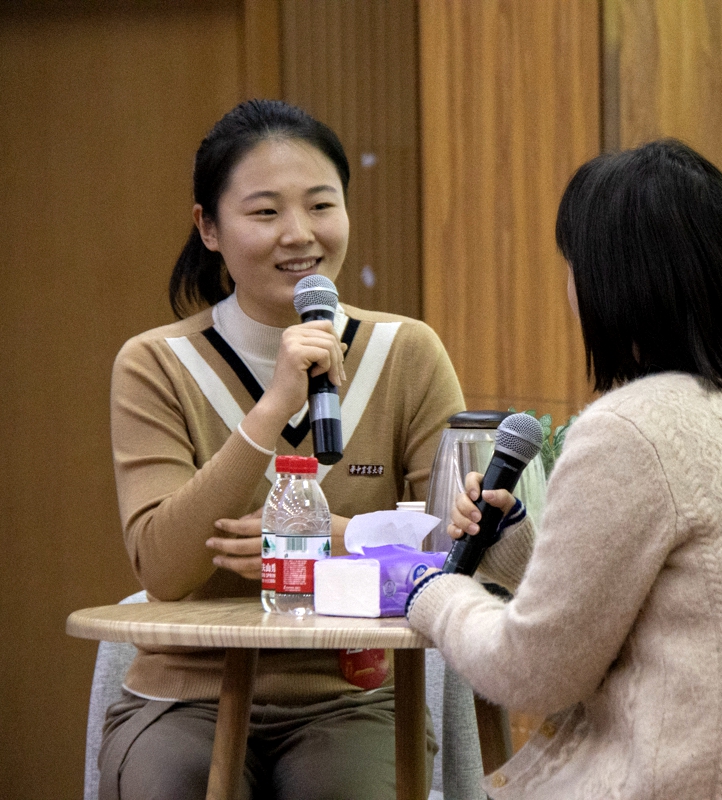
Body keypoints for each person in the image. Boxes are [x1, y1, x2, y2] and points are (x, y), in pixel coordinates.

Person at [406, 140, 722, 799]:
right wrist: (514, 540)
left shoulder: (631, 427)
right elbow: (647, 608)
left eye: (572, 267)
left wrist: (432, 592)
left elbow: (532, 674)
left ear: (613, 284)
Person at [103, 99, 463, 800]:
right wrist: (272, 408)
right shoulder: (154, 363)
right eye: (265, 213)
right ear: (208, 227)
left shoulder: (407, 352)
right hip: (185, 695)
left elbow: (456, 554)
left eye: (321, 205)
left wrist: (332, 540)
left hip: (353, 694)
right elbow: (165, 569)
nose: (299, 235)